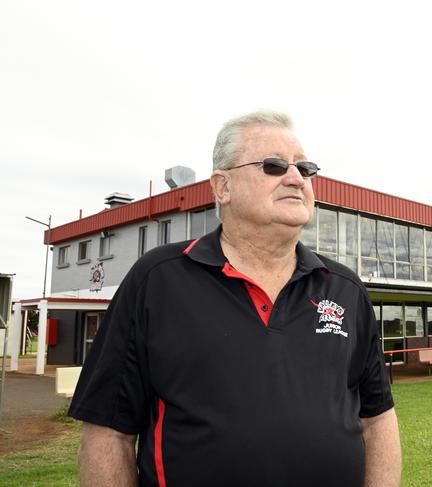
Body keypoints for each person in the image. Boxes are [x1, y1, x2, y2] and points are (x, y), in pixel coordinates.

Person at [69, 110, 402, 487]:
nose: (296, 178)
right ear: (222, 187)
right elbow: (108, 433)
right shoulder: (157, 281)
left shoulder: (345, 288)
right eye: (274, 166)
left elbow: (377, 419)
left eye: (305, 168)